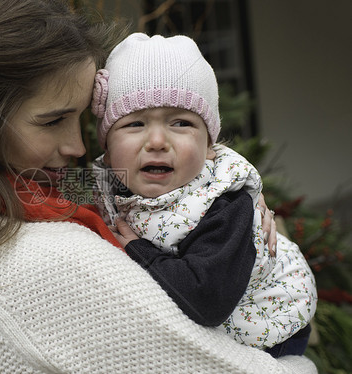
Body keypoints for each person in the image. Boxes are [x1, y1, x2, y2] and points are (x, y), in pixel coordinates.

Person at [0, 0, 317, 372]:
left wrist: (237, 185)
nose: (76, 145)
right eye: (53, 120)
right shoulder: (41, 263)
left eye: (82, 121)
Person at [91, 33, 317, 357]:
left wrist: (140, 251)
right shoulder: (103, 180)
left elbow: (206, 300)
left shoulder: (222, 206)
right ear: (107, 149)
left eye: (181, 123)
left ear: (209, 146)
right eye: (135, 124)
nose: (157, 140)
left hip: (266, 327)